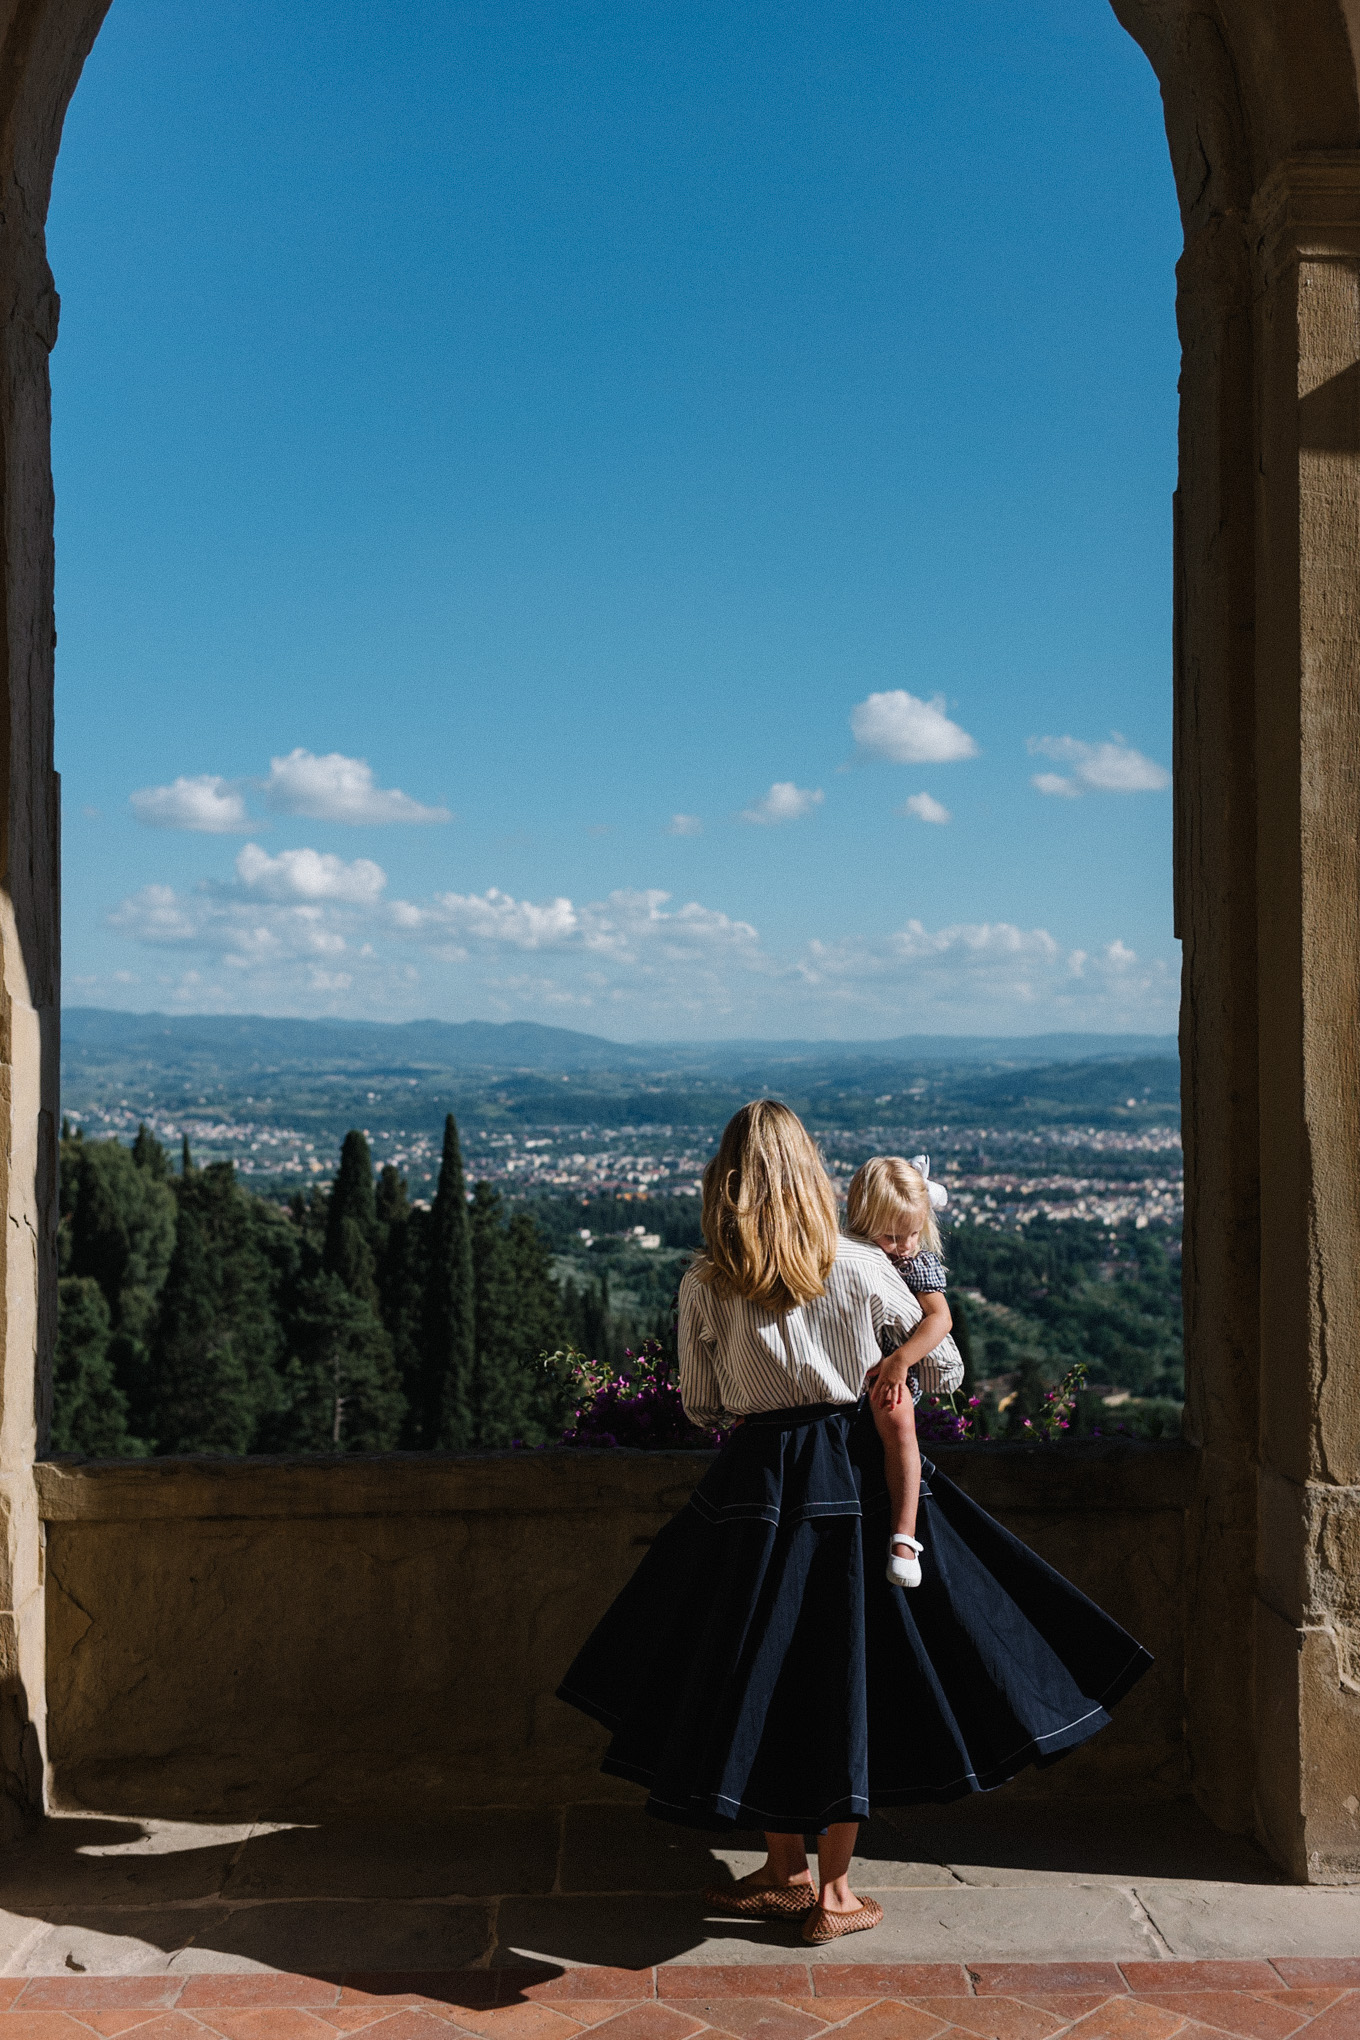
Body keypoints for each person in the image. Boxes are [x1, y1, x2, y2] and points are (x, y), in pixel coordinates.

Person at [557, 1100, 1152, 1946]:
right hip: (855, 1472)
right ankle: (833, 1893)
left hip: (756, 1486)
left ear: (724, 1184)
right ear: (812, 1177)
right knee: (848, 1670)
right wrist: (886, 1370)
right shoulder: (862, 1264)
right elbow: (942, 1369)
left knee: (753, 1666)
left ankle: (783, 1870)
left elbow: (701, 1403)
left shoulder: (703, 1280)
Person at [846, 1154, 962, 1590]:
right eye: (894, 1236)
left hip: (891, 1368)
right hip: (850, 1362)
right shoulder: (849, 1253)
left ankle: (904, 1535)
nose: (907, 1245)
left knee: (899, 1429)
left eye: (914, 1233)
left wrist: (900, 1362)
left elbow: (940, 1319)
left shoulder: (917, 1264)